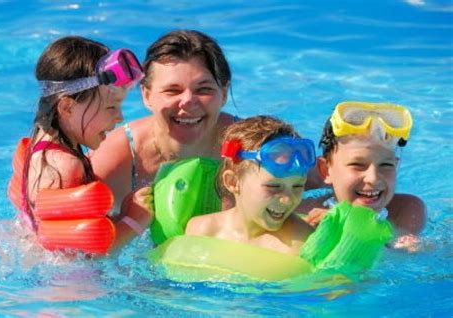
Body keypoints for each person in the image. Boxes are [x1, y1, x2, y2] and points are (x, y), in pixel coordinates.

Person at [90, 30, 236, 245]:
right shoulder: (118, 157)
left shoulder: (249, 144)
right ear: (147, 95)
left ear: (224, 93)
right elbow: (69, 250)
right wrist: (130, 221)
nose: (187, 101)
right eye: (172, 90)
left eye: (203, 89)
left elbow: (301, 184)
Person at [8, 36, 152, 252]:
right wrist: (135, 221)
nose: (120, 117)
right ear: (66, 107)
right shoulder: (65, 167)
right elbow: (85, 255)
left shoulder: (41, 147)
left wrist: (122, 215)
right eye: (111, 108)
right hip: (71, 284)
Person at [304, 101, 426, 251]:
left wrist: (345, 222)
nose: (373, 178)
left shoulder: (405, 210)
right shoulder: (306, 212)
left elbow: (400, 255)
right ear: (325, 170)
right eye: (357, 165)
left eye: (386, 165)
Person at [185, 116, 316, 255]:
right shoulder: (202, 231)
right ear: (233, 182)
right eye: (274, 187)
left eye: (297, 186)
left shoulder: (299, 246)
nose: (288, 199)